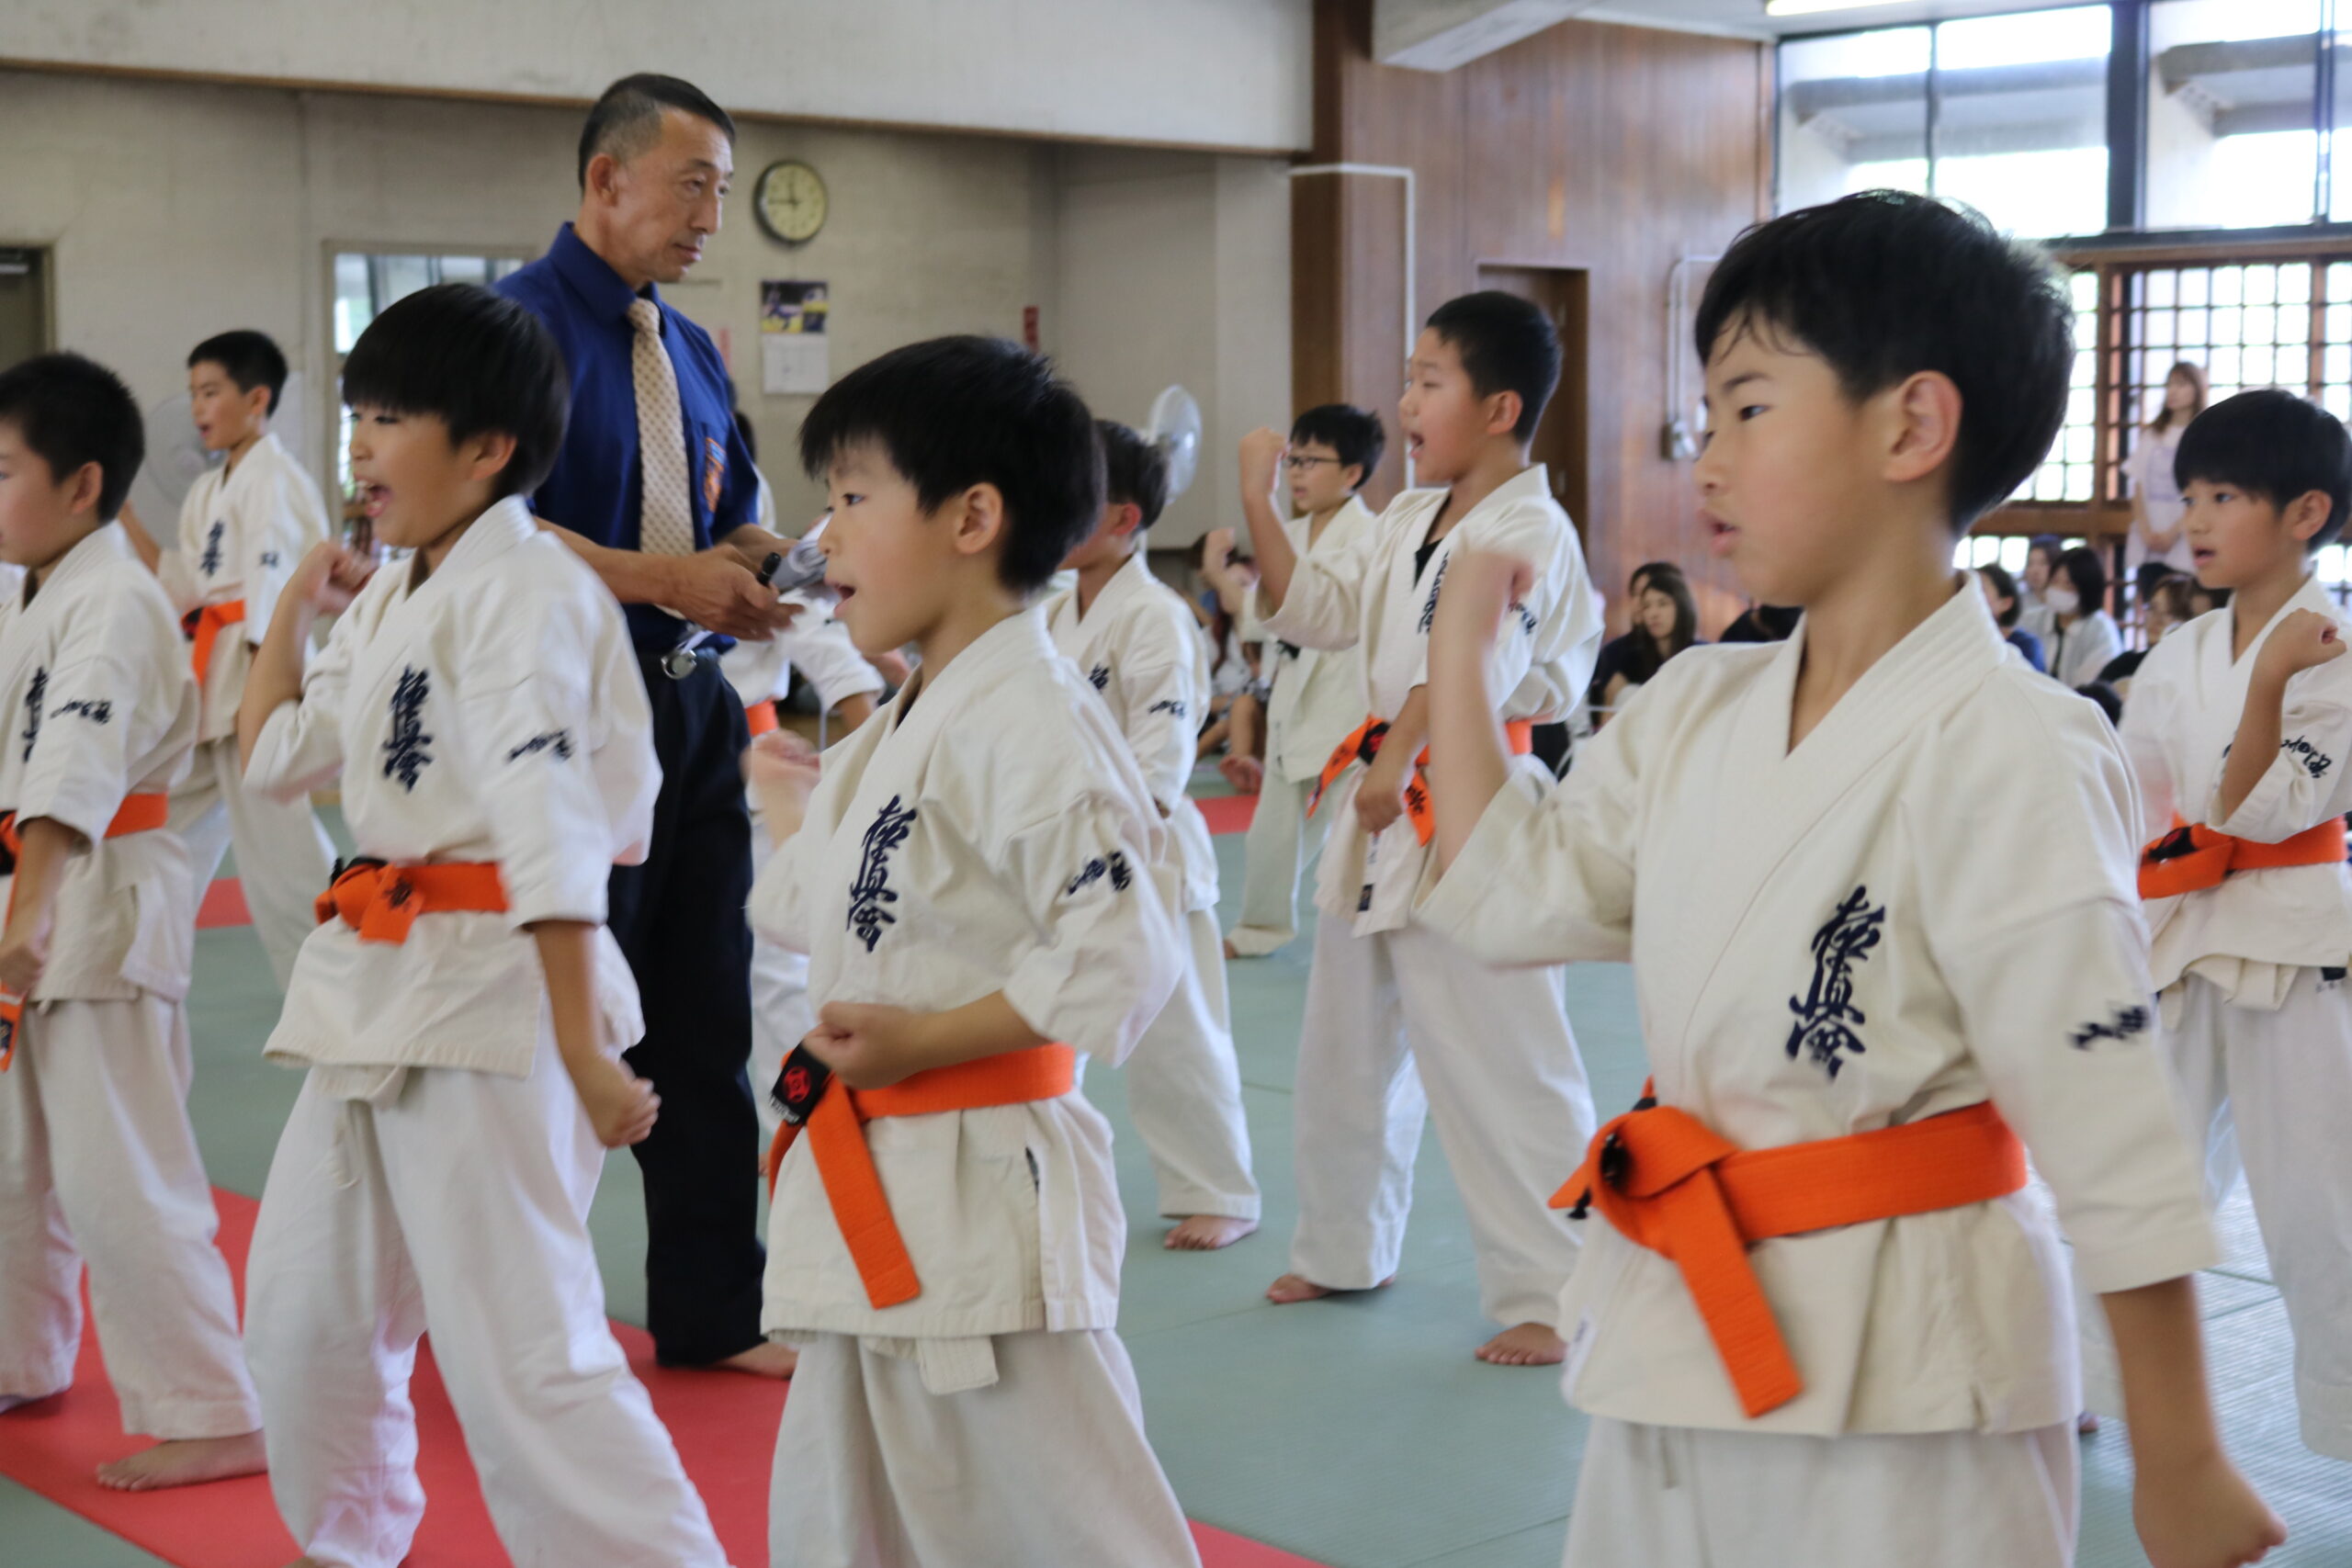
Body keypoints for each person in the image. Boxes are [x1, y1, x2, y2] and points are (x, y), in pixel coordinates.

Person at [1419, 189, 2280, 1568]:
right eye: (1706, 415)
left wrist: (2180, 1456)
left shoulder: (2016, 742)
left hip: (1914, 1376)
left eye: (1747, 409)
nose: (1706, 460)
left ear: (1911, 426)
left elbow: (2106, 1118)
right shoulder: (1695, 703)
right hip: (1671, 1330)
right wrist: (1461, 662)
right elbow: (1510, 895)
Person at [235, 284, 727, 1568]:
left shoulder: (530, 590)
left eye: (390, 418)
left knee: (526, 1353)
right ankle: (349, 1544)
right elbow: (277, 757)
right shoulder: (400, 592)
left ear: (487, 447)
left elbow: (551, 824)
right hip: (375, 993)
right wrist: (295, 610)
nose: (359, 447)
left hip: (502, 997)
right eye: (358, 415)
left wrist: (581, 1047)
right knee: (300, 1319)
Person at [748, 335, 1201, 1567]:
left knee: (1069, 1525)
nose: (824, 537)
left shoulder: (1035, 717)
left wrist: (926, 1041)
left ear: (972, 517)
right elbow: (823, 910)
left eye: (853, 497)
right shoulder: (908, 714)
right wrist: (787, 803)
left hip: (981, 1182)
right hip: (879, 1179)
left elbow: (1124, 954)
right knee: (846, 1519)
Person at [1238, 291, 1602, 1367]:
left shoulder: (1529, 528)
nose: (1403, 403)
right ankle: (1343, 1247)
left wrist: (1396, 759)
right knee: (1344, 1047)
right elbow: (1312, 610)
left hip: (1474, 802)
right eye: (1406, 380)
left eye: (1426, 382)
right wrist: (1258, 501)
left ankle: (1558, 1291)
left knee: (1504, 1058)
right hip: (1382, 805)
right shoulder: (1406, 518)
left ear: (1498, 408)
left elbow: (1475, 661)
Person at [496, 73, 796, 1378]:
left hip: (690, 705)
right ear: (605, 178)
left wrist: (761, 556)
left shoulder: (688, 350)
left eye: (721, 191)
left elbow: (720, 508)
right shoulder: (511, 331)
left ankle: (714, 1307)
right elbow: (485, 528)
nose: (711, 218)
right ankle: (522, 1314)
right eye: (693, 187)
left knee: (704, 1014)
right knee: (562, 1024)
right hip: (560, 718)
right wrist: (661, 575)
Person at [0, 353, 265, 1492]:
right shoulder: (43, 586)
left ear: (81, 484)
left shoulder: (109, 601)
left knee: (121, 1173)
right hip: (44, 899)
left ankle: (215, 1408)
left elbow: (73, 759)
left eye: (2, 470)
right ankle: (20, 1352)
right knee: (15, 1159)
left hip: (92, 906)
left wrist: (31, 907)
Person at [2120, 386, 2352, 1465]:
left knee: (2315, 1202)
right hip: (2175, 933)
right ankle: (2091, 1378)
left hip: (2294, 944)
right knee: (2136, 1172)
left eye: (2224, 496)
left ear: (2305, 512)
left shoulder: (2335, 646)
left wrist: (2266, 679)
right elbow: (2137, 800)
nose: (2196, 520)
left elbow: (2259, 811)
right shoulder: (2176, 653)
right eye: (2191, 496)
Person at [1048, 421, 1261, 1249]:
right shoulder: (1053, 610)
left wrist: (1119, 836)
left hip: (1149, 848)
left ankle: (1219, 1189)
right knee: (1047, 1021)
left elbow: (1162, 756)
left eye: (1072, 496)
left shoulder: (1156, 617)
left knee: (1178, 1032)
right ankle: (1039, 1168)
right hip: (1062, 850)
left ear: (1123, 518)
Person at [117, 330, 336, 988]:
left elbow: (274, 603)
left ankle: (338, 985)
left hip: (254, 694)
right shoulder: (210, 491)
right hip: (212, 690)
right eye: (193, 394)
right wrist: (124, 517)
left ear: (257, 399)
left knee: (284, 866)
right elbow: (184, 587)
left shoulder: (276, 482)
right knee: (154, 825)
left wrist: (264, 713)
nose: (198, 408)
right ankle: (131, 964)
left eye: (211, 392)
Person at [1220, 403, 1383, 960]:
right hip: (1292, 703)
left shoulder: (1371, 536)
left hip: (1346, 708)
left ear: (1353, 472)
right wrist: (1218, 573)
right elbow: (1259, 617)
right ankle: (1258, 929)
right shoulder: (1283, 531)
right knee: (1269, 837)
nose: (1296, 473)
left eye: (1312, 462)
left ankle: (1373, 930)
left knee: (1353, 834)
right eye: (1293, 460)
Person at [2126, 362, 2208, 592]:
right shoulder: (2151, 434)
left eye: (2181, 384)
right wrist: (2145, 530)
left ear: (2197, 389)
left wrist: (2173, 533)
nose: (2173, 391)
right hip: (2148, 539)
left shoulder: (2201, 436)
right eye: (2170, 384)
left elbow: (2201, 492)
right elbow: (2138, 486)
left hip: (2184, 540)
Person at [1590, 560, 1702, 721]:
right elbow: (1607, 717)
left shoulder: (1702, 654)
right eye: (1647, 605)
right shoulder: (1626, 658)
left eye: (1663, 604)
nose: (1653, 613)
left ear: (1682, 605)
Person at [2098, 571, 2194, 694]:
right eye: (2153, 608)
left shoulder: (2191, 672)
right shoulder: (2125, 664)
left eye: (2171, 613)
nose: (2157, 619)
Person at [2044, 543, 2121, 688]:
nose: (2058, 589)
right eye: (2055, 581)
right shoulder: (2032, 619)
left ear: (2086, 588)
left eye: (2068, 584)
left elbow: (2092, 684)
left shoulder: (2101, 629)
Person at [1975, 561, 2046, 671]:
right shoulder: (1965, 639)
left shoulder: (2024, 645)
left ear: (2005, 603)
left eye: (1980, 589)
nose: (1969, 596)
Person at [2017, 532, 2064, 642]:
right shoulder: (2018, 602)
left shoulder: (2065, 604)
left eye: (2043, 563)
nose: (2035, 570)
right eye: (2030, 564)